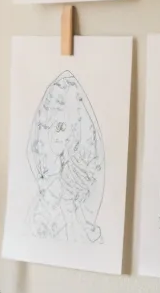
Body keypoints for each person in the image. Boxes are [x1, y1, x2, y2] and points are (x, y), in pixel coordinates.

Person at [26, 71, 104, 243]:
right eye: (49, 126)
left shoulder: (73, 179)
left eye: (63, 127)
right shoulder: (46, 190)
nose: (55, 135)